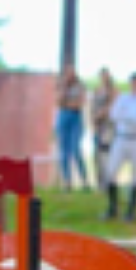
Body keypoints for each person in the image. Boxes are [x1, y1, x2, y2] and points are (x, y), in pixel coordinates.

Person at [104, 72, 136, 221]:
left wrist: (126, 117)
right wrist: (129, 118)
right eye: (134, 83)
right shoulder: (123, 98)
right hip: (122, 138)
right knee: (111, 171)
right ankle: (112, 208)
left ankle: (131, 211)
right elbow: (114, 115)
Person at [54, 64, 89, 192]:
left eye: (72, 72)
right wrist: (64, 89)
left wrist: (68, 104)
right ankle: (67, 182)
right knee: (64, 151)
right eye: (68, 72)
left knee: (76, 150)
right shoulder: (61, 85)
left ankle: (84, 181)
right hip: (63, 117)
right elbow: (58, 100)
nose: (70, 75)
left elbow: (80, 103)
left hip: (76, 118)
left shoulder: (80, 86)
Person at [90, 68, 117, 188]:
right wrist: (94, 120)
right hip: (98, 126)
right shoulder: (97, 90)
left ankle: (109, 181)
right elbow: (92, 107)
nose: (103, 78)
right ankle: (100, 182)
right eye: (101, 75)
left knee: (107, 153)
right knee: (98, 155)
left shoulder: (113, 91)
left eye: (105, 75)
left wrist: (101, 113)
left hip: (108, 126)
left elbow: (113, 105)